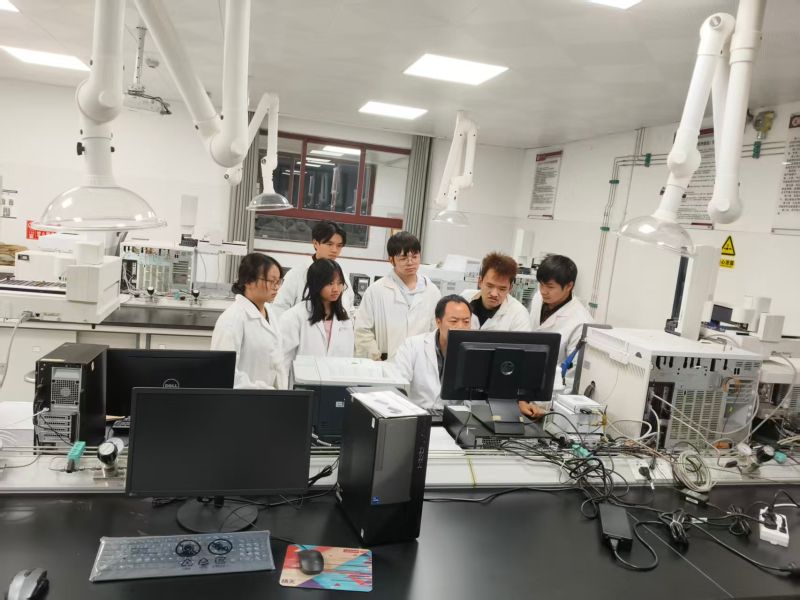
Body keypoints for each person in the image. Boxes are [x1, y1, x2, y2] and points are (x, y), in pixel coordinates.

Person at [354, 231, 441, 360]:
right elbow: (363, 330)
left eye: (415, 257)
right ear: (391, 260)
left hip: (420, 362)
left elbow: (436, 330)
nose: (410, 262)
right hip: (384, 362)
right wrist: (376, 358)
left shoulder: (432, 291)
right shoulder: (376, 291)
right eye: (403, 258)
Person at [211, 253, 287, 389]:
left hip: (271, 398)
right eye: (271, 281)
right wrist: (263, 391)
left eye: (278, 281)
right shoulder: (232, 319)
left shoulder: (269, 312)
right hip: (245, 399)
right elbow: (223, 372)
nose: (276, 287)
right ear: (249, 281)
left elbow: (276, 362)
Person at [391, 295, 472, 409]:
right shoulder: (412, 346)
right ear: (438, 322)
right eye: (454, 321)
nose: (460, 327)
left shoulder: (474, 354)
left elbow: (475, 399)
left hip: (454, 416)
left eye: (466, 322)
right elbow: (399, 384)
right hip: (417, 413)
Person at [278, 259, 355, 375]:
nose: (336, 289)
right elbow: (283, 360)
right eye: (330, 283)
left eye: (340, 283)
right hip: (302, 382)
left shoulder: (345, 319)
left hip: (336, 382)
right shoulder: (294, 317)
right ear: (316, 284)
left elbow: (348, 358)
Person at [271, 220, 354, 318]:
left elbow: (349, 309)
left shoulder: (342, 276)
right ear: (315, 243)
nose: (334, 250)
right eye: (329, 244)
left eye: (339, 246)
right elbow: (279, 309)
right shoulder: (296, 274)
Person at [529, 254, 593, 365]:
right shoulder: (538, 297)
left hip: (553, 375)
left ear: (569, 286)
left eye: (550, 287)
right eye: (541, 284)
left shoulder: (581, 322)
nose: (543, 291)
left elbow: (573, 369)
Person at [464, 252, 530, 332]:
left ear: (510, 288)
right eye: (490, 286)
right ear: (480, 282)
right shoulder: (465, 298)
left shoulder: (519, 314)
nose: (494, 294)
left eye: (502, 289)